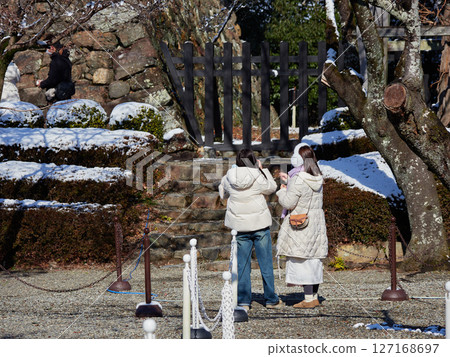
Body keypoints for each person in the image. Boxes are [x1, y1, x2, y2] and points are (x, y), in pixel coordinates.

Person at [219, 149, 283, 310]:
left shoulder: (229, 177)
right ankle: (270, 299)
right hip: (259, 225)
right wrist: (261, 169)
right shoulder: (257, 176)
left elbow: (222, 193)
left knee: (242, 265)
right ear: (254, 161)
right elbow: (272, 187)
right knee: (266, 263)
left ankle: (244, 301)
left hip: (240, 227)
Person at [276, 143, 328, 308]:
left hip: (301, 222)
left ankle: (307, 300)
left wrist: (282, 191)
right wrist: (290, 181)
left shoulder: (299, 179)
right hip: (316, 221)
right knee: (313, 259)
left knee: (303, 259)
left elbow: (289, 202)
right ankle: (313, 297)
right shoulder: (317, 176)